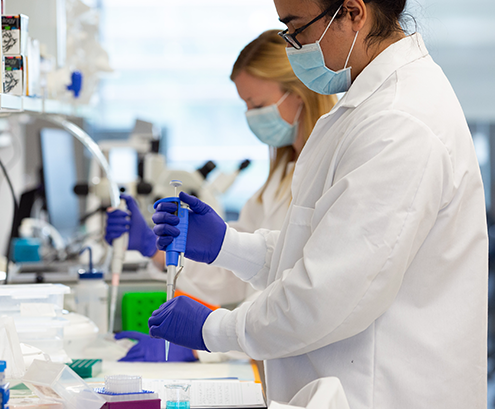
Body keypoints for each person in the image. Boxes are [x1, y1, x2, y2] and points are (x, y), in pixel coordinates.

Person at [149, 0, 488, 408]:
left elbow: (327, 295)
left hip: (389, 389)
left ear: (354, 13)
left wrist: (215, 327)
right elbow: (317, 251)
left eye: (296, 29)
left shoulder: (400, 123)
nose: (291, 48)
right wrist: (229, 247)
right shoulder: (365, 107)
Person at [105, 30, 337, 358]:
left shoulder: (329, 171)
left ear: (298, 93)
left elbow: (296, 296)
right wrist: (155, 249)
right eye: (245, 105)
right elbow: (236, 276)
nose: (250, 116)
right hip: (271, 356)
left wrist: (203, 343)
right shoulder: (278, 180)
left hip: (293, 354)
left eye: (257, 104)